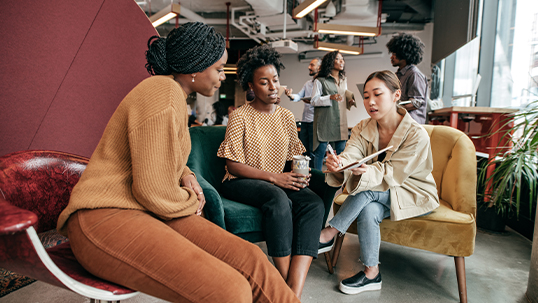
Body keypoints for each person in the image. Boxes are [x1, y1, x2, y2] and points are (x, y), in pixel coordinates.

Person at [56, 22, 299, 303]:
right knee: (231, 290)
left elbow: (157, 151)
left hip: (144, 210)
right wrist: (192, 201)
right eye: (219, 69)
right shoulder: (162, 92)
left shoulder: (172, 95)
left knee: (253, 258)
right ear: (196, 66)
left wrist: (186, 173)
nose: (223, 77)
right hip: (103, 216)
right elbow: (152, 191)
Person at [217, 44, 325, 299]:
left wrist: (301, 173)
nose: (273, 86)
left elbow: (293, 156)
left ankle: (291, 292)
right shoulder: (240, 116)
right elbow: (232, 165)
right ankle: (285, 292)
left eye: (275, 80)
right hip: (240, 180)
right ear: (252, 87)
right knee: (278, 199)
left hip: (277, 180)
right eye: (264, 82)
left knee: (313, 203)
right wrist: (276, 178)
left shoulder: (287, 117)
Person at [318, 70, 439, 295]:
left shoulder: (416, 134)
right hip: (382, 190)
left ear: (396, 95)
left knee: (368, 191)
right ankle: (372, 273)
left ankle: (329, 233)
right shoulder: (364, 126)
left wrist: (364, 173)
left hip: (413, 192)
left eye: (377, 94)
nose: (370, 102)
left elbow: (393, 173)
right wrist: (340, 162)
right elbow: (352, 152)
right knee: (369, 208)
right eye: (365, 96)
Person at [310, 51, 356, 170]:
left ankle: (338, 177)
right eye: (338, 59)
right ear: (330, 62)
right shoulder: (320, 80)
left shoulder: (343, 79)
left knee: (341, 152)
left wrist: (349, 100)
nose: (342, 62)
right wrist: (329, 97)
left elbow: (342, 95)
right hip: (325, 120)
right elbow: (314, 101)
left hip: (340, 120)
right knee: (320, 152)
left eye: (342, 59)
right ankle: (318, 179)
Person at [284, 58, 321, 165]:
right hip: (305, 121)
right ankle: (304, 174)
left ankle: (313, 176)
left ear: (319, 67)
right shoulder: (308, 83)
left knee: (314, 152)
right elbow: (299, 96)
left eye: (312, 65)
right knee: (304, 151)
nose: (309, 67)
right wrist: (290, 95)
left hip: (316, 122)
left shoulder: (322, 83)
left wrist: (312, 101)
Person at [386, 32, 428, 124]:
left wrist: (393, 108)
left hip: (411, 124)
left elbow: (416, 103)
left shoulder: (414, 74)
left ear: (404, 54)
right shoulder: (398, 75)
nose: (391, 57)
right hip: (400, 122)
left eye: (394, 54)